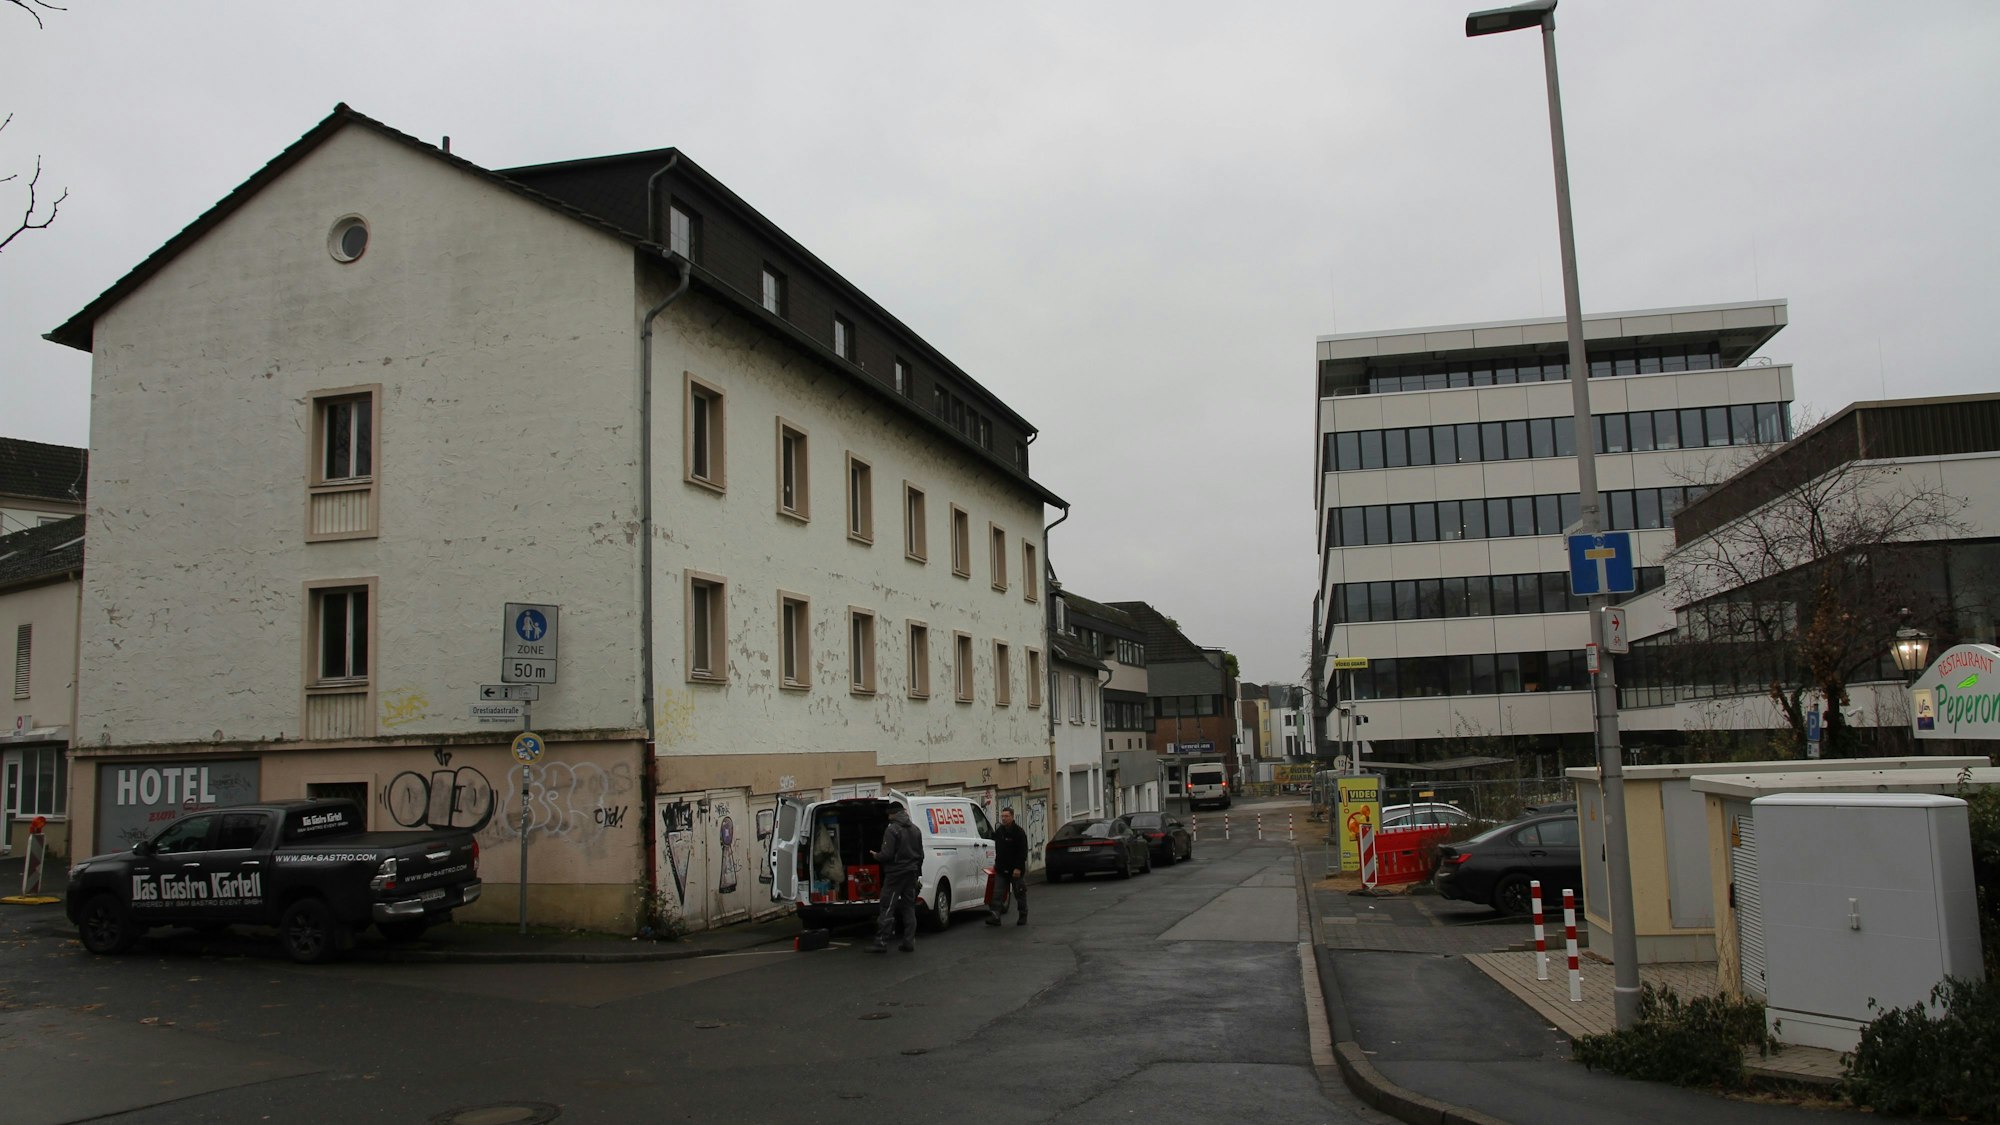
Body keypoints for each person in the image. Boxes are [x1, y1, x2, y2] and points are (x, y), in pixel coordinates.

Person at [870, 804, 924, 953]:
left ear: (893, 814)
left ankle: (881, 942)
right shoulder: (915, 829)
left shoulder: (892, 829)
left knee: (887, 906)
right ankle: (909, 941)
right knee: (909, 908)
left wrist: (876, 856)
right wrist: (917, 873)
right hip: (911, 873)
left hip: (895, 874)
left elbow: (887, 854)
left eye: (889, 814)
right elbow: (921, 855)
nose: (888, 817)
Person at [985, 807, 1029, 927]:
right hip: (1001, 869)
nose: (1004, 819)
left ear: (1012, 816)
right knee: (997, 894)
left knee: (1019, 892)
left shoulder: (1019, 832)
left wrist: (1018, 868)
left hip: (1015, 870)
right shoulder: (999, 831)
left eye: (1006, 816)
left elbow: (1022, 852)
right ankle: (995, 916)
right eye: (1002, 816)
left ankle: (1023, 915)